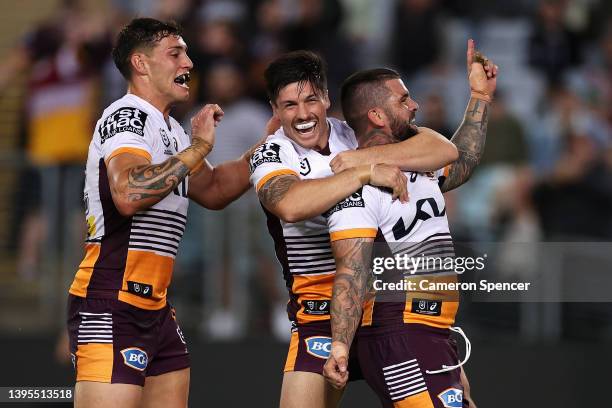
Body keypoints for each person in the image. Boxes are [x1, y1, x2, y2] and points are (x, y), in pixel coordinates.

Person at [249, 50, 459, 408]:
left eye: (310, 100)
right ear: (274, 109)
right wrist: (362, 173)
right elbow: (289, 204)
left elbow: (442, 149)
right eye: (289, 105)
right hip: (318, 317)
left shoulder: (358, 135)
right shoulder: (272, 154)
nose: (302, 115)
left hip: (383, 314)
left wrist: (363, 158)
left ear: (326, 98)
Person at [66, 18, 256, 407]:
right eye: (176, 53)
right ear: (141, 64)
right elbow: (130, 193)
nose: (188, 62)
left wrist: (272, 147)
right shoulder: (127, 116)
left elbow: (216, 189)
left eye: (186, 52)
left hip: (155, 308)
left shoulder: (171, 129)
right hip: (111, 299)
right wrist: (199, 149)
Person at [322, 40, 498, 408]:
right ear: (377, 116)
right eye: (403, 100)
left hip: (432, 330)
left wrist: (480, 96)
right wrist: (339, 343)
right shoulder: (358, 184)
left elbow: (461, 160)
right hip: (399, 330)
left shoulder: (419, 160)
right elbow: (351, 270)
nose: (414, 105)